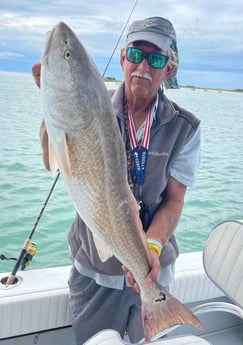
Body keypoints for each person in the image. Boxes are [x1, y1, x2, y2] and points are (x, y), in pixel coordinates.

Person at [32, 16, 200, 344]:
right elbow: (53, 162)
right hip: (93, 272)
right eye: (137, 54)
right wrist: (50, 105)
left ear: (168, 69)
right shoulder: (89, 103)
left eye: (156, 58)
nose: (143, 66)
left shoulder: (186, 128)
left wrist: (150, 247)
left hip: (154, 270)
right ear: (123, 57)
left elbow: (175, 199)